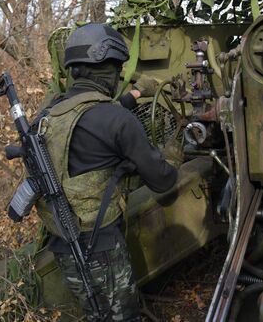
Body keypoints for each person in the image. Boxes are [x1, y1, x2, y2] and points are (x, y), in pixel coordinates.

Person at [34, 23, 182, 321]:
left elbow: (94, 116)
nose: (118, 78)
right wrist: (173, 156)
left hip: (62, 242)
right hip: (101, 248)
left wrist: (137, 93)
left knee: (94, 313)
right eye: (117, 70)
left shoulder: (50, 114)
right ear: (107, 69)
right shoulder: (117, 120)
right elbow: (162, 180)